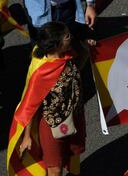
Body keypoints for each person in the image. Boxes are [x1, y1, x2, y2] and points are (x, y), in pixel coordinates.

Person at [7, 21, 86, 176]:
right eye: (67, 36)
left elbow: (77, 70)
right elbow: (30, 107)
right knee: (54, 169)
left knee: (69, 158)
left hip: (74, 117)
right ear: (55, 44)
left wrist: (85, 50)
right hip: (52, 126)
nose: (71, 38)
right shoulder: (43, 72)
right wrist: (27, 137)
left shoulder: (67, 56)